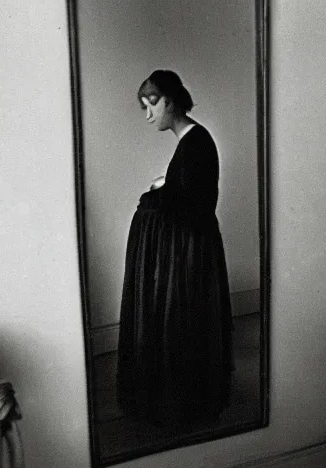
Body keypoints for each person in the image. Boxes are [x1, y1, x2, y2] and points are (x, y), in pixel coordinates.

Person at [117, 70, 233, 427]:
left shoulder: (196, 141)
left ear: (168, 100)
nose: (148, 115)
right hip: (189, 245)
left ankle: (179, 402)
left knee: (180, 324)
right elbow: (187, 185)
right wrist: (164, 183)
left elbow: (194, 204)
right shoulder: (192, 141)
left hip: (190, 250)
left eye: (151, 105)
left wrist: (157, 193)